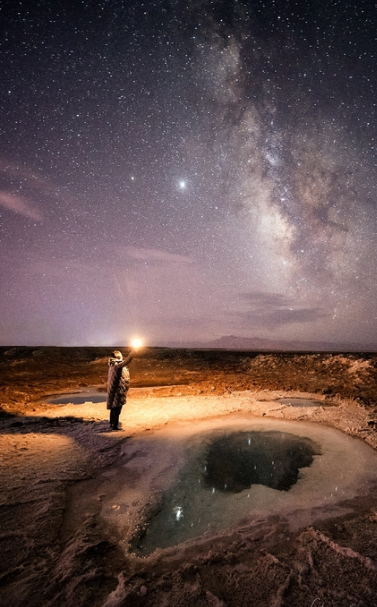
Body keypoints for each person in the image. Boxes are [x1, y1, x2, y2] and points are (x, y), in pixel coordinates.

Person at [107, 349, 135, 430]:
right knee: (117, 408)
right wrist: (133, 352)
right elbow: (128, 360)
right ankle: (114, 425)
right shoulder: (116, 365)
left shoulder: (114, 365)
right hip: (117, 391)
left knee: (114, 408)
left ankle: (112, 423)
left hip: (116, 390)